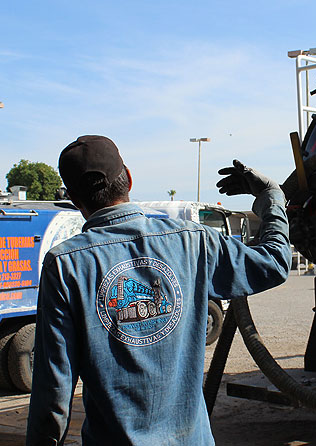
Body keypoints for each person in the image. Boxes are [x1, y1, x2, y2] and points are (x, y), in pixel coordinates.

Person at [26, 135, 291, 445]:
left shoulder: (66, 264)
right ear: (128, 178)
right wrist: (271, 195)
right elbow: (273, 262)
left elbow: (53, 391)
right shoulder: (192, 241)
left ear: (73, 199)